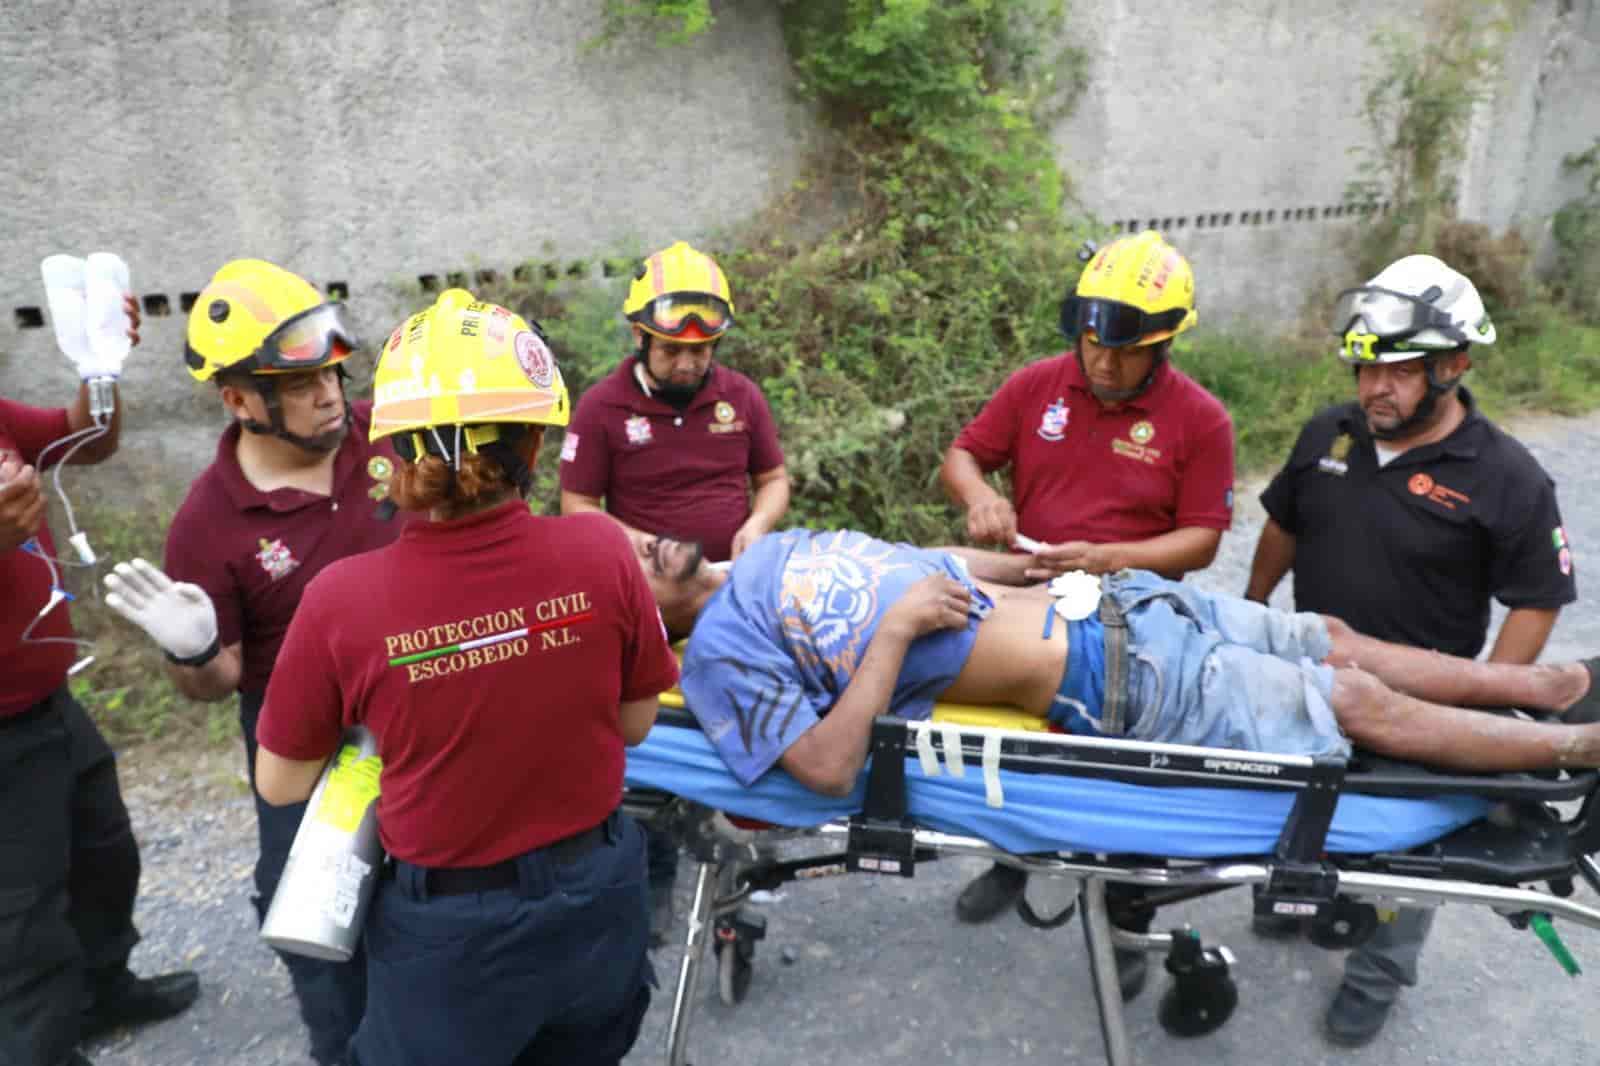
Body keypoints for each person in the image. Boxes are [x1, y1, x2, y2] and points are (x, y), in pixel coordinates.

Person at [251, 288, 680, 1066]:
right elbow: (633, 723)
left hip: (451, 940)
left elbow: (281, 784)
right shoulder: (602, 552)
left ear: (393, 454)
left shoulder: (341, 600)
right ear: (536, 443)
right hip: (598, 907)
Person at [1244, 253, 1578, 1046]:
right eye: (1365, 370)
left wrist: (1486, 699)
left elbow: (1535, 597)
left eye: (1395, 373)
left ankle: (1378, 971)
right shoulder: (1327, 432)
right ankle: (1298, 895)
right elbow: (1282, 526)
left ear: (1452, 366)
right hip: (1308, 677)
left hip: (1420, 708)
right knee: (1297, 797)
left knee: (1411, 848)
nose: (1373, 390)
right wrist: (1252, 611)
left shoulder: (1508, 477)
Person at [642, 527, 1600, 792]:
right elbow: (822, 769)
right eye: (628, 563)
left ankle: (1546, 686)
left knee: (1333, 637)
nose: (642, 546)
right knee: (1346, 697)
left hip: (1126, 602)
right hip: (1118, 679)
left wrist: (1023, 562)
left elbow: (925, 567)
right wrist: (892, 637)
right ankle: (1569, 752)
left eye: (634, 537)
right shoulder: (722, 660)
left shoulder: (764, 554)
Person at [103, 259, 398, 1066]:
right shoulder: (208, 524)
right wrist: (190, 648)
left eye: (332, 373)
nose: (330, 395)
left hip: (423, 706)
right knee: (316, 918)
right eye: (299, 385)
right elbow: (215, 681)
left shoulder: (385, 437)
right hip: (312, 746)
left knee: (449, 898)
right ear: (239, 400)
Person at [939, 229, 1235, 939]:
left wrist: (1107, 559)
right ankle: (1013, 855)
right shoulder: (1038, 385)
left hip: (1135, 609)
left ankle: (1123, 917)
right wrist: (980, 496)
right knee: (1016, 741)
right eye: (1091, 343)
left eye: (1122, 350)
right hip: (1030, 591)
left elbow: (1200, 539)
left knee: (1121, 762)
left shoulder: (1201, 420)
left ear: (1163, 342)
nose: (1100, 361)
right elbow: (964, 455)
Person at [560, 239, 790, 941]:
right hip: (647, 596)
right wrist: (649, 551)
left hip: (731, 587)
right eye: (671, 351)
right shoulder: (602, 407)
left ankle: (745, 864)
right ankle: (654, 866)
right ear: (640, 338)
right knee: (648, 730)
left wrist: (757, 524)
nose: (689, 362)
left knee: (748, 710)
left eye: (702, 350)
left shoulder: (739, 396)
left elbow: (773, 479)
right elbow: (577, 506)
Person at [2, 298, 201, 1066]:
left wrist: (100, 367)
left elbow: (89, 439)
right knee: (22, 926)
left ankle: (103, 989)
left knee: (104, 855)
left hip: (48, 701)